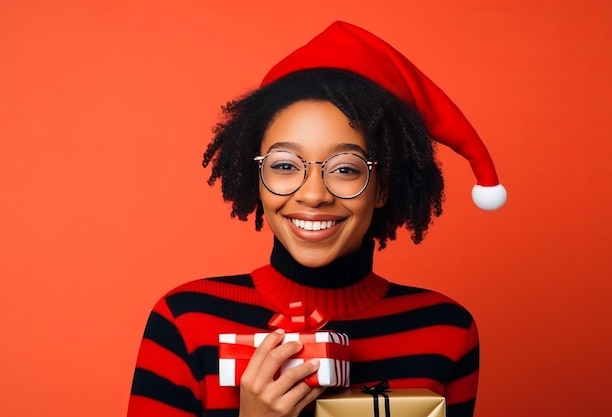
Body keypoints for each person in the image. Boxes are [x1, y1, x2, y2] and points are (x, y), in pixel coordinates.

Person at [128, 21, 506, 417]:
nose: (312, 194)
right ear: (257, 178)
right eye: (286, 165)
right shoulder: (186, 320)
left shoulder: (445, 332)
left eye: (345, 169)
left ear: (382, 188)